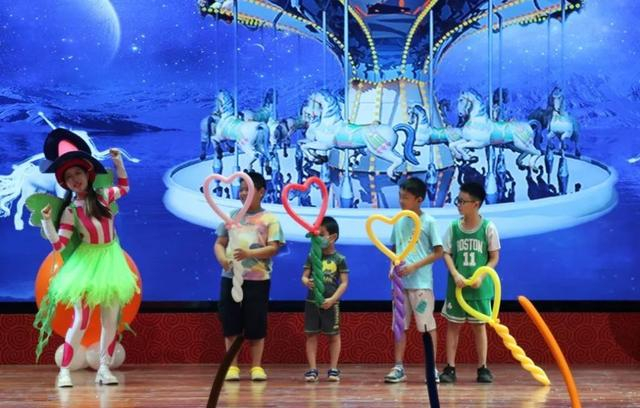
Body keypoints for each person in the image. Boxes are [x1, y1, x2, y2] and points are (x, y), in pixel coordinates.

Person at [34, 128, 139, 388]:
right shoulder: (71, 211)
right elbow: (59, 244)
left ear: (88, 174)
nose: (74, 180)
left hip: (111, 261)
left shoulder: (104, 196)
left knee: (110, 319)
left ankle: (104, 368)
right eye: (68, 177)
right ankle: (65, 371)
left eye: (77, 173)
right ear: (64, 183)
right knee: (81, 319)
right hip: (86, 265)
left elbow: (124, 187)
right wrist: (47, 222)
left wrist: (118, 162)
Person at [214, 171, 284, 381]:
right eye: (241, 189)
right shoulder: (231, 216)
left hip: (258, 280)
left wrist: (249, 254)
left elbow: (273, 248)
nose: (243, 193)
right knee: (230, 323)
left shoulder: (270, 219)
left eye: (248, 189)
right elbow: (220, 243)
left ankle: (256, 367)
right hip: (230, 278)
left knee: (256, 323)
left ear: (261, 192)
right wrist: (222, 259)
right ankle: (232, 366)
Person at [439, 182, 501, 384]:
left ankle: (483, 367)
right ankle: (450, 367)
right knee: (453, 326)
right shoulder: (453, 227)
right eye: (457, 201)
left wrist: (481, 276)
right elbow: (446, 253)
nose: (458, 205)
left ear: (476, 204)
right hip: (457, 286)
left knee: (479, 327)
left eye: (462, 201)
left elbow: (494, 257)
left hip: (479, 289)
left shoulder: (488, 227)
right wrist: (455, 274)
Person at [384, 178, 443, 383]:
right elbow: (394, 249)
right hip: (400, 286)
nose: (401, 201)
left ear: (418, 200)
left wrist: (415, 266)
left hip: (421, 285)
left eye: (406, 198)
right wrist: (392, 267)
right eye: (400, 197)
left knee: (426, 326)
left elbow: (438, 252)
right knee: (399, 326)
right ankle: (398, 366)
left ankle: (432, 368)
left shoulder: (429, 222)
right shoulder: (399, 220)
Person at [301, 216, 349, 382]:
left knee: (333, 336)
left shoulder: (339, 259)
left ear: (332, 237)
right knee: (311, 335)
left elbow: (344, 283)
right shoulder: (312, 256)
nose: (318, 238)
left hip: (331, 304)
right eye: (316, 235)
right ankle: (312, 369)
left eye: (321, 234)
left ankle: (333, 369)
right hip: (312, 302)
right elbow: (304, 276)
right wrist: (306, 282)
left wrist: (333, 299)